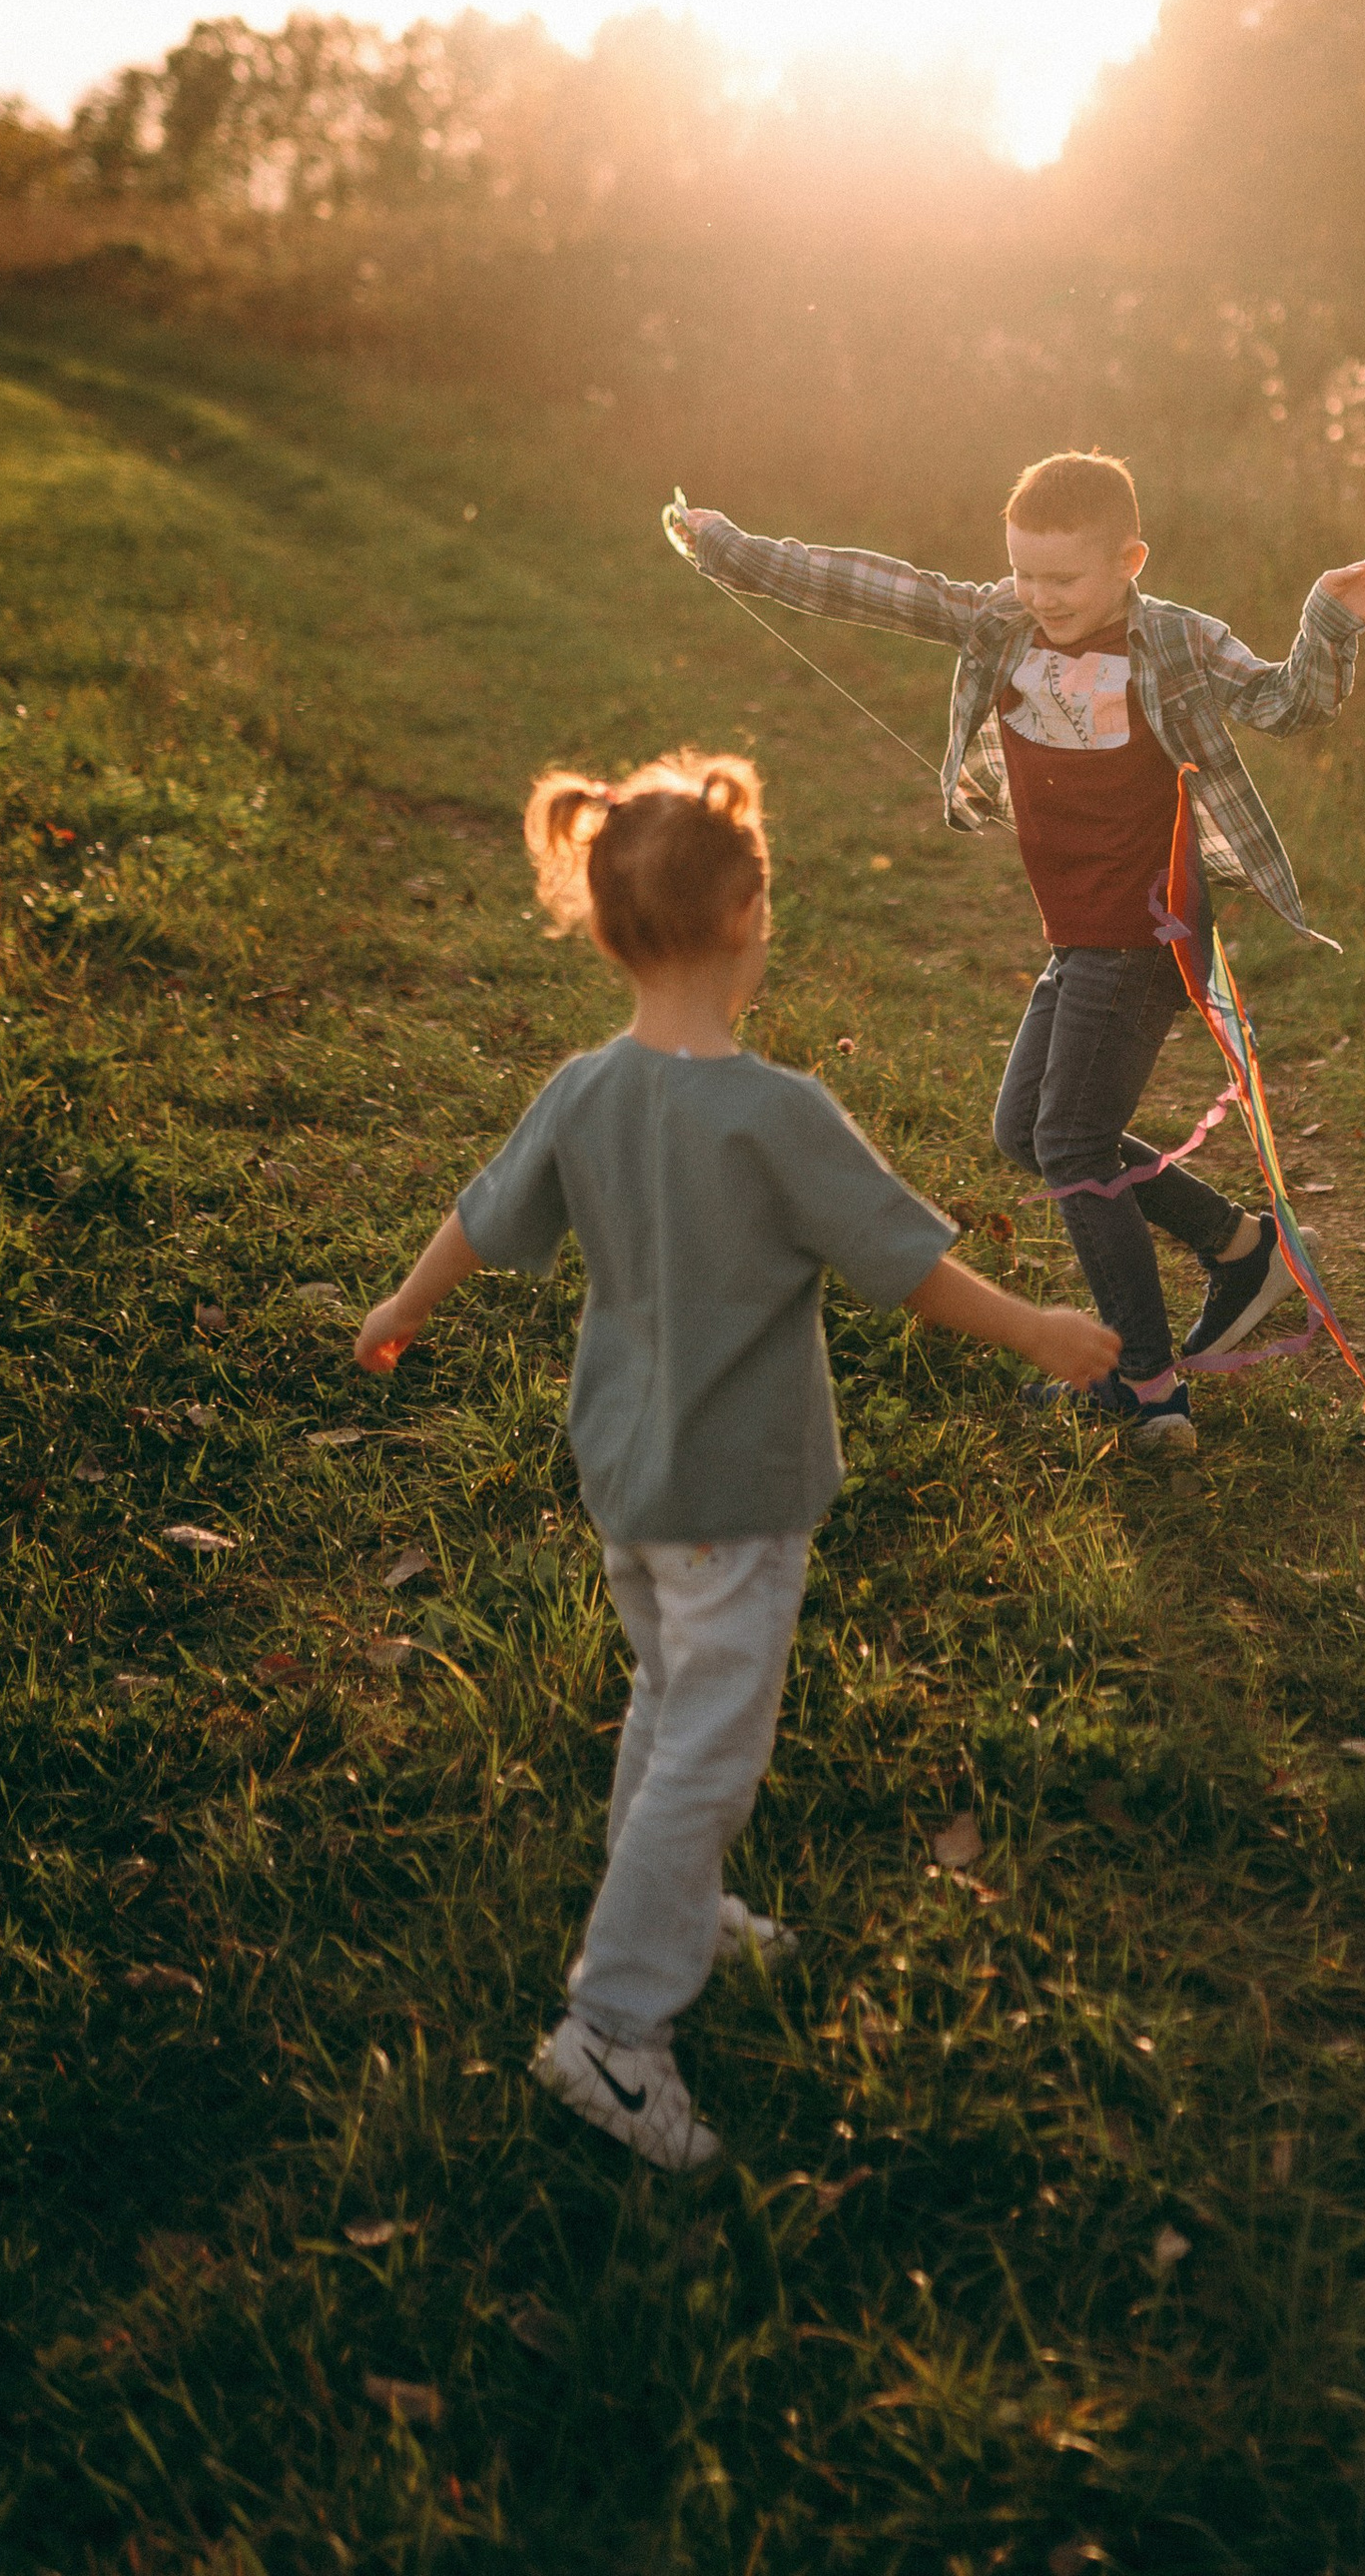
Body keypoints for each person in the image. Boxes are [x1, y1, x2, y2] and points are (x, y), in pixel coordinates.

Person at [351, 748, 1118, 2173]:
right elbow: (910, 1270)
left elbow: (478, 1218)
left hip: (626, 1482)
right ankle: (614, 2030)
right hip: (733, 1496)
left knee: (670, 1697)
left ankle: (680, 1901)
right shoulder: (778, 1115)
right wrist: (1042, 1332)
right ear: (748, 921)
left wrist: (402, 1309)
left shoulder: (585, 1091)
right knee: (712, 1742)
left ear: (606, 928)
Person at [671, 453, 1365, 1460]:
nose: (1042, 598)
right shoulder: (1000, 619)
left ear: (1129, 560)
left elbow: (1285, 703)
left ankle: (1144, 1389)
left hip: (1144, 932)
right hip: (1077, 932)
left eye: (1066, 579)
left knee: (1068, 1144)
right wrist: (730, 549)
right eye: (1025, 573)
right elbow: (875, 585)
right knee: (1028, 1129)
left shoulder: (1175, 640)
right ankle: (1239, 1244)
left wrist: (1325, 620)